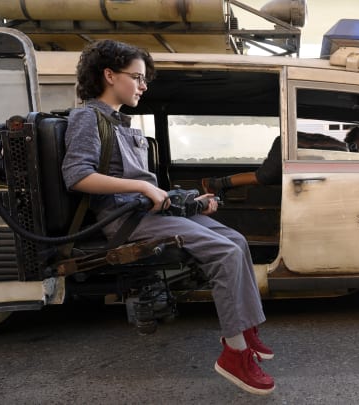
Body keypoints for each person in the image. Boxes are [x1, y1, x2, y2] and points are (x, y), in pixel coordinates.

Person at [61, 40, 275, 395]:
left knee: (236, 240)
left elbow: (147, 188)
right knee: (223, 252)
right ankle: (234, 354)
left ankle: (246, 328)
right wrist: (144, 190)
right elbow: (77, 175)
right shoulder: (87, 117)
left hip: (147, 210)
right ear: (109, 75)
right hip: (125, 219)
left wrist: (190, 200)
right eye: (138, 77)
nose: (144, 86)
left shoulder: (118, 121)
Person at [201, 126, 359, 194]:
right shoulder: (342, 152)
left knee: (265, 179)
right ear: (354, 144)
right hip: (285, 144)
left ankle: (218, 185)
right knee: (260, 177)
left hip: (287, 143)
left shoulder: (339, 148)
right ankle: (213, 183)